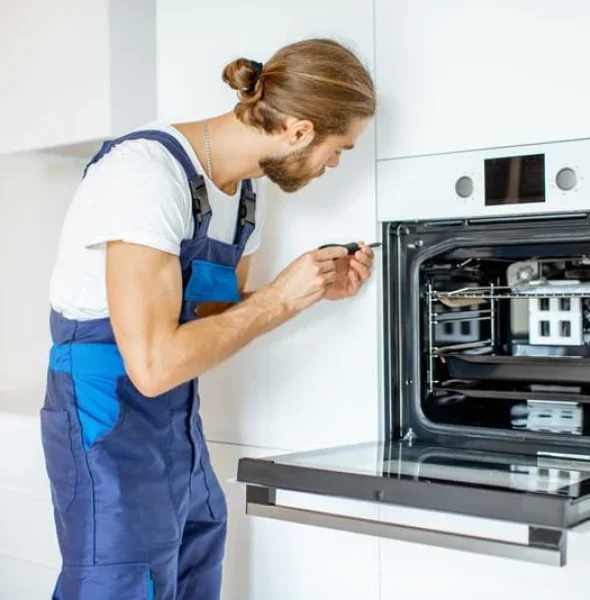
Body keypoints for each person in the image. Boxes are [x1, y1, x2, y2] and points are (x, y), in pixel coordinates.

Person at [41, 38, 376, 600]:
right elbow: (151, 364)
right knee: (125, 583)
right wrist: (279, 300)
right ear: (298, 129)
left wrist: (311, 290)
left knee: (197, 564)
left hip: (175, 422)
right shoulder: (146, 175)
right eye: (337, 147)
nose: (334, 164)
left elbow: (215, 321)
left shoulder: (247, 196)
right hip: (105, 418)